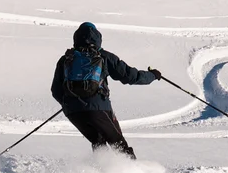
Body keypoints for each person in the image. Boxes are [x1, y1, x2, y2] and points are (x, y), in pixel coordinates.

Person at [50, 22, 159, 158]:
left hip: (73, 112)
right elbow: (130, 76)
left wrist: (71, 102)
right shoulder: (103, 56)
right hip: (99, 109)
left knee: (98, 142)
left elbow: (55, 90)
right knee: (118, 143)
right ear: (97, 38)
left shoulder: (66, 59)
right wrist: (153, 75)